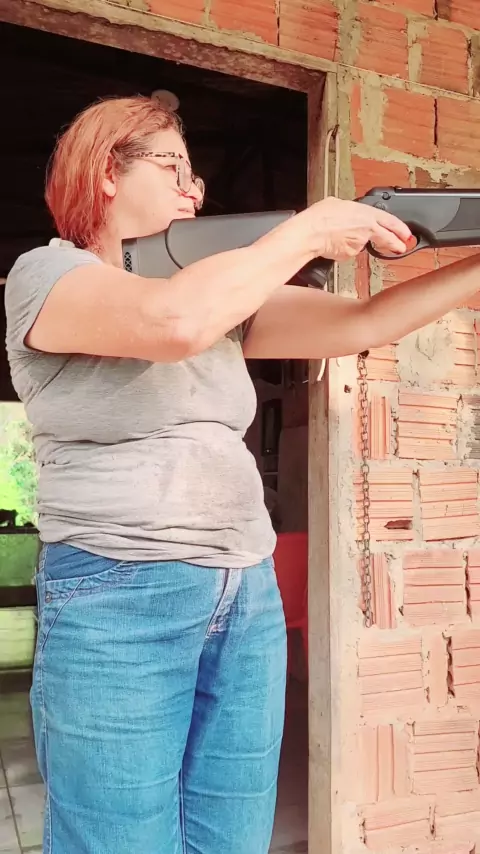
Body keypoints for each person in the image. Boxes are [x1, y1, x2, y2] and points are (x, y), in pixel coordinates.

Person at [5, 95, 480, 854]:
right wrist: (310, 231)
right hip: (120, 592)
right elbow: (172, 324)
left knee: (232, 839)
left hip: (245, 592)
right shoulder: (48, 273)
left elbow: (362, 324)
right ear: (105, 172)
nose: (193, 191)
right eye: (173, 167)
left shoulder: (224, 300)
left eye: (194, 176)